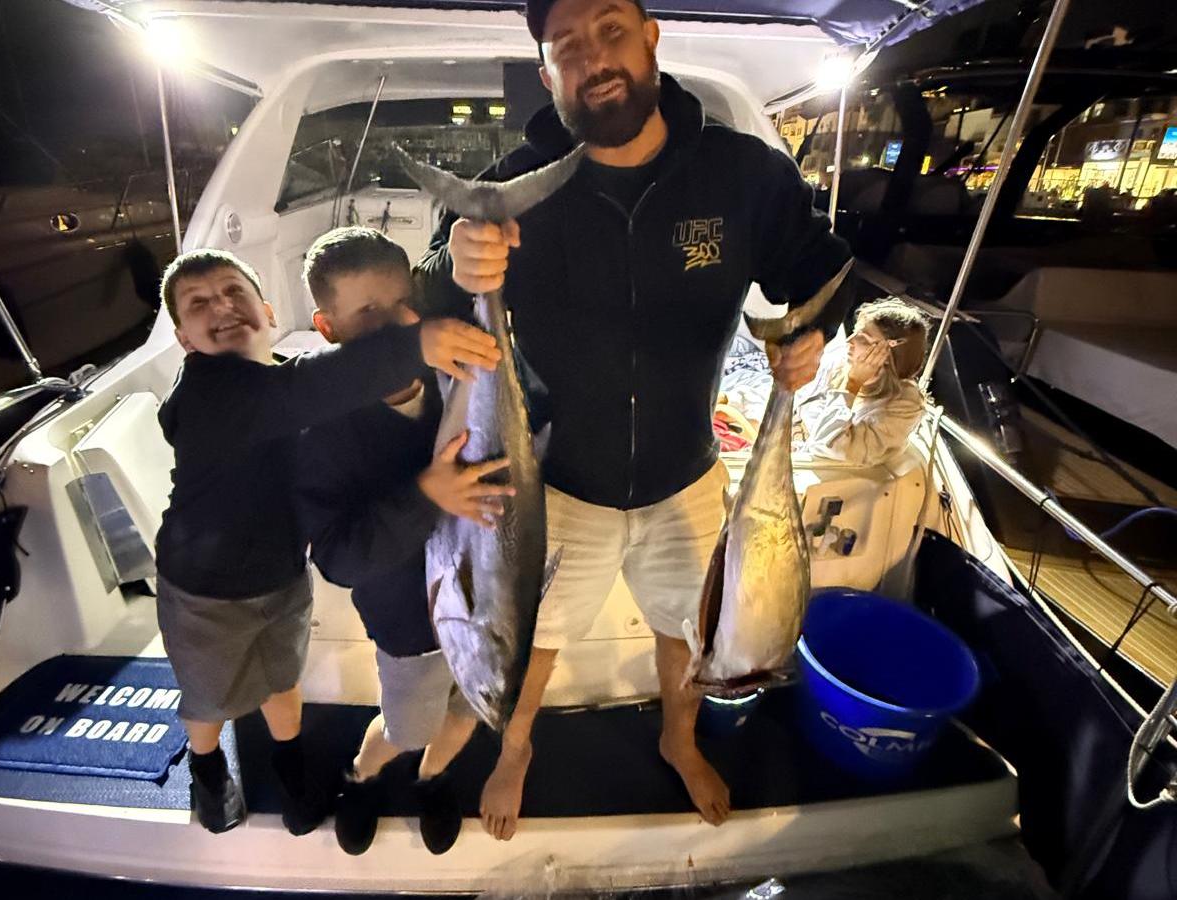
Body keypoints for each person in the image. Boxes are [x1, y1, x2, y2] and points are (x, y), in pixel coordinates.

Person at [416, 0, 856, 841]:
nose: (594, 57)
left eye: (610, 28)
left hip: (684, 468)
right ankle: (515, 750)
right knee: (530, 639)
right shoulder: (511, 186)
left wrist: (813, 332)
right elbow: (435, 301)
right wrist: (456, 259)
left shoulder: (743, 175)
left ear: (651, 36)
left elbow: (825, 267)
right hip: (558, 479)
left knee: (686, 631)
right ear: (548, 74)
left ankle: (677, 738)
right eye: (567, 46)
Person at [154, 248, 500, 835]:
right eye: (199, 303)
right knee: (210, 699)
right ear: (185, 341)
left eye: (233, 292)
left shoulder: (290, 377)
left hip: (283, 572)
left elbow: (312, 383)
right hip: (205, 588)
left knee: (283, 679)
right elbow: (315, 389)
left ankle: (292, 764)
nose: (222, 307)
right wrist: (418, 345)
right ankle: (208, 769)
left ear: (266, 311)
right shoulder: (215, 393)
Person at [297, 227, 514, 855]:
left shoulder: (458, 369)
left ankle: (432, 777)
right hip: (406, 623)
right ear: (326, 326)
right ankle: (361, 775)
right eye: (367, 312)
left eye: (401, 304)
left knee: (471, 708)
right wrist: (427, 494)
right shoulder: (317, 425)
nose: (395, 325)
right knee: (405, 722)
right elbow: (337, 556)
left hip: (487, 601)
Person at [794, 298, 930, 467]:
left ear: (888, 354)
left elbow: (830, 447)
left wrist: (852, 384)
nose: (849, 342)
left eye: (863, 339)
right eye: (855, 332)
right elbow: (800, 401)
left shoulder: (903, 406)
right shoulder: (842, 365)